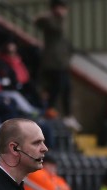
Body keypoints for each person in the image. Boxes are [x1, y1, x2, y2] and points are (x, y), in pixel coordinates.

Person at [35, 0, 79, 130]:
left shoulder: (59, 22)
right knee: (56, 87)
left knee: (67, 89)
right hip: (53, 63)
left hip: (62, 62)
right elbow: (42, 23)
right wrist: (54, 15)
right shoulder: (51, 20)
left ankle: (68, 115)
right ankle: (49, 110)